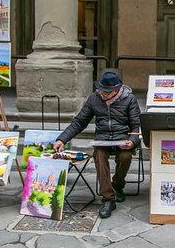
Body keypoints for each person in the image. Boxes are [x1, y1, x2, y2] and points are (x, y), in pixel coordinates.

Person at [54, 71, 141, 218]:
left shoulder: (129, 99)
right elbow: (79, 122)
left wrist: (132, 141)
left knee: (125, 156)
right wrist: (62, 139)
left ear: (117, 90)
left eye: (107, 92)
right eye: (101, 90)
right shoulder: (94, 99)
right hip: (103, 139)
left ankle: (118, 185)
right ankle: (108, 198)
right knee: (99, 154)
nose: (103, 94)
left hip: (123, 138)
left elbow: (136, 126)